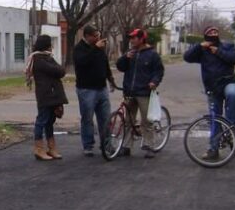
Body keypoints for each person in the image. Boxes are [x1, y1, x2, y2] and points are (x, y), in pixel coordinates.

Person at [183, 26, 235, 160]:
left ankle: (231, 127)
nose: (214, 34)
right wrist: (199, 46)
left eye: (216, 32)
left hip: (228, 82)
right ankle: (213, 149)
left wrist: (218, 52)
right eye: (210, 32)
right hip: (212, 87)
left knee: (232, 95)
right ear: (205, 36)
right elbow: (187, 57)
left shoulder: (227, 46)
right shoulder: (202, 51)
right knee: (214, 118)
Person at [115, 28, 164, 159]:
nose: (131, 40)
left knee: (146, 121)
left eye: (134, 38)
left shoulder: (152, 54)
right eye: (130, 38)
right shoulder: (130, 53)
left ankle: (149, 145)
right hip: (129, 92)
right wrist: (125, 58)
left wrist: (154, 81)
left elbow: (158, 71)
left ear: (142, 39)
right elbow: (120, 66)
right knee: (128, 120)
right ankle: (126, 146)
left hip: (144, 92)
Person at [73, 24, 115, 157]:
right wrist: (95, 49)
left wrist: (110, 79)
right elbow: (82, 62)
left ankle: (107, 143)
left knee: (105, 118)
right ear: (87, 36)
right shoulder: (79, 49)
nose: (97, 38)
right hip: (86, 89)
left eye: (98, 35)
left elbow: (104, 64)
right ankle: (88, 144)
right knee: (87, 118)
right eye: (94, 36)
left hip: (101, 87)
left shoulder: (99, 49)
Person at [25, 34, 68, 161]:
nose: (52, 47)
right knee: (42, 120)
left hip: (53, 95)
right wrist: (58, 69)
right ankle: (38, 148)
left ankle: (51, 147)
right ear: (46, 45)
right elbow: (59, 71)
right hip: (45, 95)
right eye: (50, 45)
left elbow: (61, 70)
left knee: (50, 121)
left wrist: (59, 69)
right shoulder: (39, 59)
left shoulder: (47, 57)